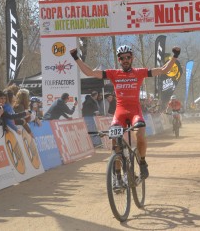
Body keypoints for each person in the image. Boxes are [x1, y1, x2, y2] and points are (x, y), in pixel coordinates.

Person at [70, 44, 181, 183]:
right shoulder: (113, 73)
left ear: (132, 58)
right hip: (120, 113)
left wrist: (175, 56)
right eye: (122, 58)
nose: (125, 60)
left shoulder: (139, 72)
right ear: (119, 60)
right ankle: (117, 176)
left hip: (135, 111)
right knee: (116, 143)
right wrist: (76, 58)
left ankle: (142, 162)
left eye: (128, 57)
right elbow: (90, 73)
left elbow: (164, 70)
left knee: (140, 134)